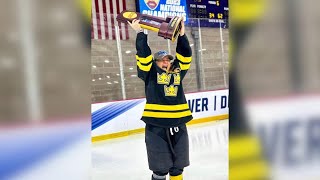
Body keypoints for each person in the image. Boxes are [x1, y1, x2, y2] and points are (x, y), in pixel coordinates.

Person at [128, 18, 193, 180]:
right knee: (160, 169)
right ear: (155, 63)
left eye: (168, 60)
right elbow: (143, 56)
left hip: (179, 123)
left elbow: (185, 55)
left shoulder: (177, 71)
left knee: (178, 167)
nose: (166, 62)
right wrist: (140, 33)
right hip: (156, 126)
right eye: (162, 60)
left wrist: (182, 35)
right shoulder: (149, 72)